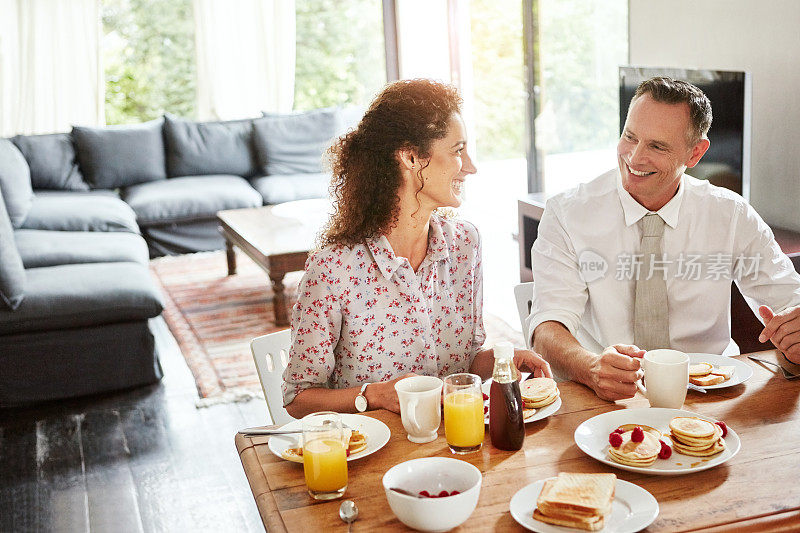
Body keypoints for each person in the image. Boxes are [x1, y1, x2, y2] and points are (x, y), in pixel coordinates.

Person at [283, 79, 552, 418]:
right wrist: (376, 395)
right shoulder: (334, 269)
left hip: (454, 442)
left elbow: (464, 360)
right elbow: (298, 398)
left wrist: (505, 358)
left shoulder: (465, 244)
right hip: (374, 456)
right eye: (457, 150)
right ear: (411, 157)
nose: (470, 166)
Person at [526, 76, 800, 401]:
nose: (635, 157)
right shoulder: (567, 213)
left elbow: (788, 300)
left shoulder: (731, 214)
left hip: (711, 393)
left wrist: (794, 330)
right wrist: (590, 366)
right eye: (630, 137)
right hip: (604, 395)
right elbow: (547, 325)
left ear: (695, 153)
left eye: (657, 146)